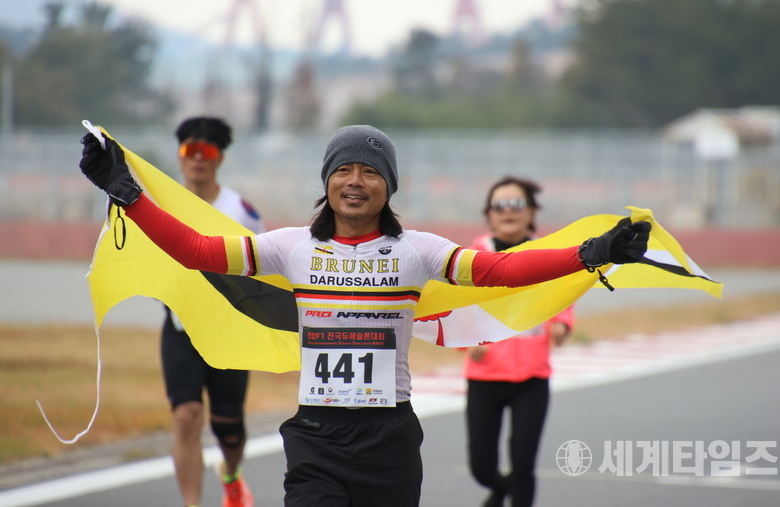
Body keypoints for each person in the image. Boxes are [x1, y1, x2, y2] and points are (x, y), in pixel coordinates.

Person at [78, 124, 649, 507]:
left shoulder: (418, 250)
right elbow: (196, 251)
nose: (356, 181)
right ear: (327, 181)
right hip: (315, 436)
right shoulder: (291, 246)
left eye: (371, 172)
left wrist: (591, 253)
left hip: (389, 438)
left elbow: (501, 271)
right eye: (344, 170)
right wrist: (127, 193)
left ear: (388, 187)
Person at [163, 117, 263, 507]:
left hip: (229, 330)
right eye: (190, 150)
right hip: (180, 327)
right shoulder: (164, 204)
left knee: (229, 429)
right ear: (180, 155)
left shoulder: (241, 211)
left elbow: (263, 268)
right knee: (186, 415)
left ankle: (232, 476)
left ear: (220, 158)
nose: (198, 159)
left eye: (206, 151)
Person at [464, 176, 573, 507]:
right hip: (485, 375)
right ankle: (498, 489)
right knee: (481, 467)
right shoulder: (471, 257)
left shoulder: (546, 254)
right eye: (499, 206)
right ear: (489, 214)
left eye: (516, 204)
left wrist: (562, 324)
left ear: (531, 211)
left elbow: (563, 292)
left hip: (532, 376)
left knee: (524, 462)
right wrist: (468, 342)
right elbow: (457, 308)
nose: (507, 212)